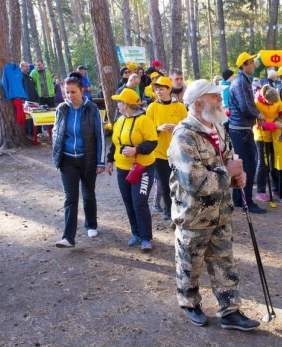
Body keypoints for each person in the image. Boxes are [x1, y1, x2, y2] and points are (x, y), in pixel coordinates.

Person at [167, 79, 260, 331]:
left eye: (219, 95)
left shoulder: (218, 126)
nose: (220, 100)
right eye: (214, 96)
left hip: (221, 213)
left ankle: (230, 311)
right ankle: (189, 303)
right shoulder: (184, 136)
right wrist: (228, 174)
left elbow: (229, 157)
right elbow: (195, 182)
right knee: (190, 264)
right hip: (193, 216)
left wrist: (238, 176)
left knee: (224, 263)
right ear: (198, 103)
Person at [52, 72, 105, 248]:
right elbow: (56, 132)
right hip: (67, 160)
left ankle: (91, 224)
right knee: (70, 198)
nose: (70, 96)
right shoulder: (61, 109)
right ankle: (68, 237)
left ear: (82, 90)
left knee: (88, 194)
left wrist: (100, 161)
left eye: (73, 92)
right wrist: (57, 154)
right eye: (67, 92)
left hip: (87, 159)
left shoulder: (92, 109)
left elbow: (100, 136)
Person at [106, 88, 158, 251]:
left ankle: (145, 238)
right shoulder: (120, 120)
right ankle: (135, 233)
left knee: (139, 202)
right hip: (123, 168)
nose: (118, 104)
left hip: (142, 168)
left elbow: (152, 142)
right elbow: (115, 143)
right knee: (128, 201)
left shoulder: (144, 121)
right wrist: (109, 160)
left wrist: (136, 150)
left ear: (127, 105)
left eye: (119, 102)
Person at [145, 76, 188, 223]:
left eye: (161, 88)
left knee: (180, 183)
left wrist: (176, 128)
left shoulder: (180, 107)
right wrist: (158, 128)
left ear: (169, 89)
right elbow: (146, 129)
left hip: (178, 152)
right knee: (164, 183)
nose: (158, 91)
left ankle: (181, 209)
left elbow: (187, 126)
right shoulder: (152, 107)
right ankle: (168, 210)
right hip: (159, 152)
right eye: (156, 89)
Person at [228, 52, 266, 214]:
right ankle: (247, 202)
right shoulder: (240, 82)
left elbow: (249, 103)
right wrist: (258, 115)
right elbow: (245, 106)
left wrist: (257, 113)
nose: (254, 65)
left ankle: (238, 199)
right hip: (240, 130)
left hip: (242, 129)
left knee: (242, 166)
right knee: (248, 167)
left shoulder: (243, 81)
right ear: (244, 65)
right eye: (251, 62)